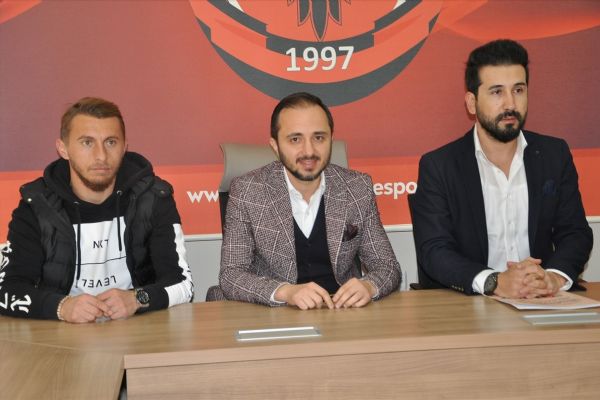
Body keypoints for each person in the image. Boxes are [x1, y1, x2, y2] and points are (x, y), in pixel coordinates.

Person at [411, 39, 593, 298]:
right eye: (497, 92)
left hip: (542, 300)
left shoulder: (554, 155)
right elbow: (434, 250)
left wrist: (553, 277)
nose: (510, 104)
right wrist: (495, 282)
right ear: (471, 102)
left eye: (518, 90)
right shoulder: (440, 166)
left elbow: (575, 233)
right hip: (472, 305)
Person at [0, 97, 193, 322]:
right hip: (62, 334)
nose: (101, 156)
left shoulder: (153, 198)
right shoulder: (37, 205)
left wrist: (138, 299)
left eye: (111, 142)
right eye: (87, 142)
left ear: (124, 147)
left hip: (138, 329)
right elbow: (6, 292)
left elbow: (183, 286)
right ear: (63, 149)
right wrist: (62, 307)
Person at [218, 92, 400, 309]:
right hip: (277, 314)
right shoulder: (248, 191)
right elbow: (231, 275)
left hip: (343, 313)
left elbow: (387, 266)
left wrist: (369, 286)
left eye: (319, 138)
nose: (309, 151)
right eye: (295, 139)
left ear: (331, 140)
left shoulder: (357, 187)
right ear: (275, 145)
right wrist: (285, 292)